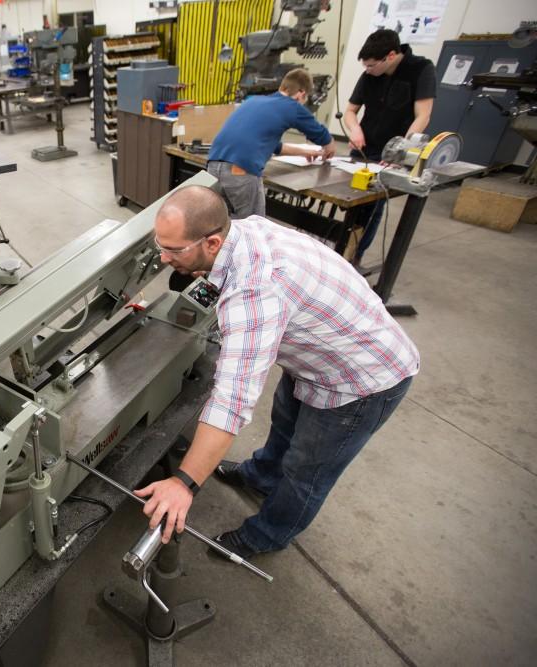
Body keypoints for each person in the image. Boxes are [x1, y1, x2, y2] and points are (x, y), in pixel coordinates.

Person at [134, 185, 419, 560]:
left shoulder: (255, 291)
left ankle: (267, 535)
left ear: (213, 242)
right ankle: (262, 475)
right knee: (285, 423)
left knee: (307, 472)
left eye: (173, 250)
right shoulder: (245, 231)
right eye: (161, 245)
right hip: (316, 355)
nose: (164, 257)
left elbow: (231, 402)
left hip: (362, 379)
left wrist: (185, 483)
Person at [343, 29, 436, 266]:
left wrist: (401, 153)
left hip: (392, 155)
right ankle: (342, 249)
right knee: (350, 201)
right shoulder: (369, 75)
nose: (368, 70)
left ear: (391, 56)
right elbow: (351, 111)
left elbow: (423, 116)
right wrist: (355, 130)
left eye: (372, 65)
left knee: (372, 206)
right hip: (365, 150)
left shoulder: (420, 70)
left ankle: (354, 257)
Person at [206, 68, 336, 219]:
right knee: (252, 226)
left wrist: (306, 152)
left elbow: (275, 146)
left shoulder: (254, 101)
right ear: (301, 93)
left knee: (219, 222)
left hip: (213, 167)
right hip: (240, 170)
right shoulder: (291, 106)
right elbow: (321, 135)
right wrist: (329, 145)